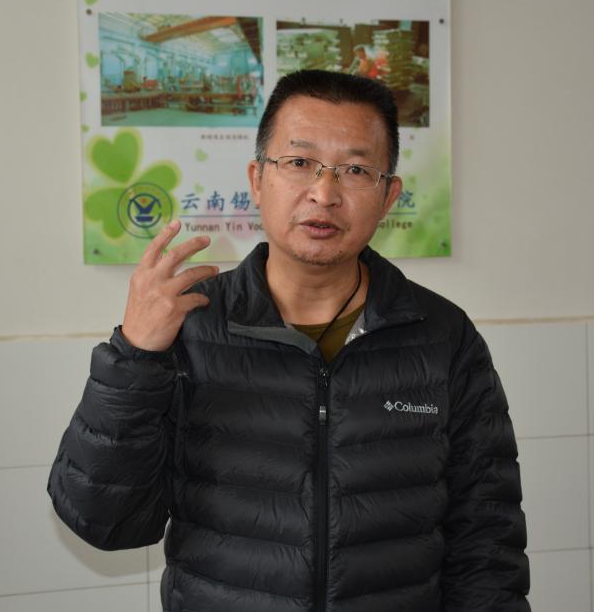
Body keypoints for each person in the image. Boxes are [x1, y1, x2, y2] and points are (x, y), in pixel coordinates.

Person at [47, 70, 530, 611]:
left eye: (355, 170)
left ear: (388, 195)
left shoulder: (441, 336)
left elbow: (487, 545)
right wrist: (134, 355)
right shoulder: (190, 327)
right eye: (299, 162)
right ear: (257, 180)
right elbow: (105, 520)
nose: (324, 193)